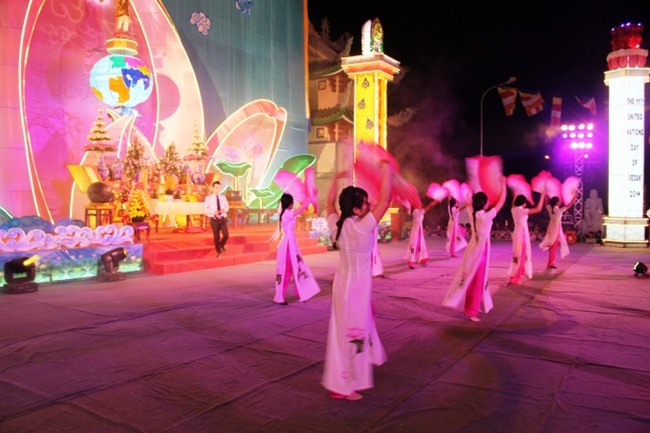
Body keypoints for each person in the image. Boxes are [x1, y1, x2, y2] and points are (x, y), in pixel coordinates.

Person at [322, 160, 393, 401]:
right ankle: (348, 384)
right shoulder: (362, 228)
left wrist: (335, 179)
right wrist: (386, 171)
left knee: (343, 331)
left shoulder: (337, 225)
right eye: (365, 203)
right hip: (357, 289)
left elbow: (329, 204)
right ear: (356, 209)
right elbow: (385, 200)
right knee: (355, 333)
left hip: (342, 286)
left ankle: (341, 380)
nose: (370, 205)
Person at [442, 177, 507, 322]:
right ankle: (471, 311)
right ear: (484, 203)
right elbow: (501, 202)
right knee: (477, 281)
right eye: (487, 200)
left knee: (473, 280)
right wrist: (503, 184)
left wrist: (470, 187)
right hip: (480, 253)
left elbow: (468, 201)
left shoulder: (475, 213)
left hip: (475, 250)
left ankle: (471, 308)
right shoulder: (485, 217)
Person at [273, 193, 321, 305]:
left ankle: (301, 293)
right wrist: (308, 200)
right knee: (287, 271)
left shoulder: (286, 212)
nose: (292, 204)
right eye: (291, 202)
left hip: (291, 244)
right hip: (287, 246)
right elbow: (300, 210)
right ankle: (280, 297)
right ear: (288, 203)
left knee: (298, 268)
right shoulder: (286, 214)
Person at [507, 191, 545, 285]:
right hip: (522, 235)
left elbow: (513, 204)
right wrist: (542, 196)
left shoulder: (513, 209)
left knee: (517, 255)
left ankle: (515, 274)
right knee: (521, 255)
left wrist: (515, 195)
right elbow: (538, 209)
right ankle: (515, 278)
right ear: (523, 203)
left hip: (517, 233)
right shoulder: (522, 211)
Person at [539, 192, 577, 269]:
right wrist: (575, 196)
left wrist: (545, 196)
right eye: (558, 201)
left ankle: (550, 262)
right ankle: (550, 263)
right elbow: (570, 204)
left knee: (553, 245)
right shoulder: (559, 210)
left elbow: (546, 203)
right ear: (557, 202)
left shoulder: (550, 209)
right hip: (556, 229)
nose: (559, 202)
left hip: (551, 228)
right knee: (554, 246)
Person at [406, 200, 437, 269]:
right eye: (419, 203)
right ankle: (411, 262)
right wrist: (436, 201)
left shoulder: (416, 211)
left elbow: (408, 209)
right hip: (416, 232)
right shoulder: (417, 211)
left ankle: (421, 259)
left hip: (419, 232)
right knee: (413, 247)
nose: (420, 204)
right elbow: (429, 206)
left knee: (420, 246)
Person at [204, 180, 229, 259]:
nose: (218, 189)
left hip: (222, 218)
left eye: (219, 187)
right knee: (216, 237)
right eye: (216, 187)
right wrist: (213, 212)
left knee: (226, 235)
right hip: (214, 219)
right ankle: (219, 251)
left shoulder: (223, 197)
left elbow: (227, 207)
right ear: (213, 188)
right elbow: (206, 209)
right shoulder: (208, 198)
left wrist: (224, 210)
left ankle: (222, 244)